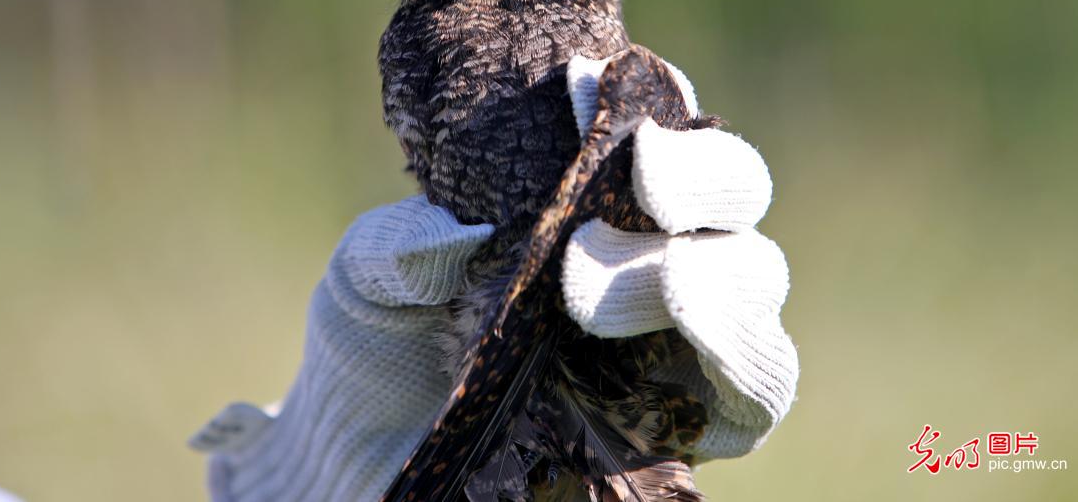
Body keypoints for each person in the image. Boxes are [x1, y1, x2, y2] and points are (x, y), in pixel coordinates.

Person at [191, 56, 799, 501]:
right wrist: (320, 466)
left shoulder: (598, 61)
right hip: (479, 366)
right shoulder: (417, 47)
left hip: (571, 343)